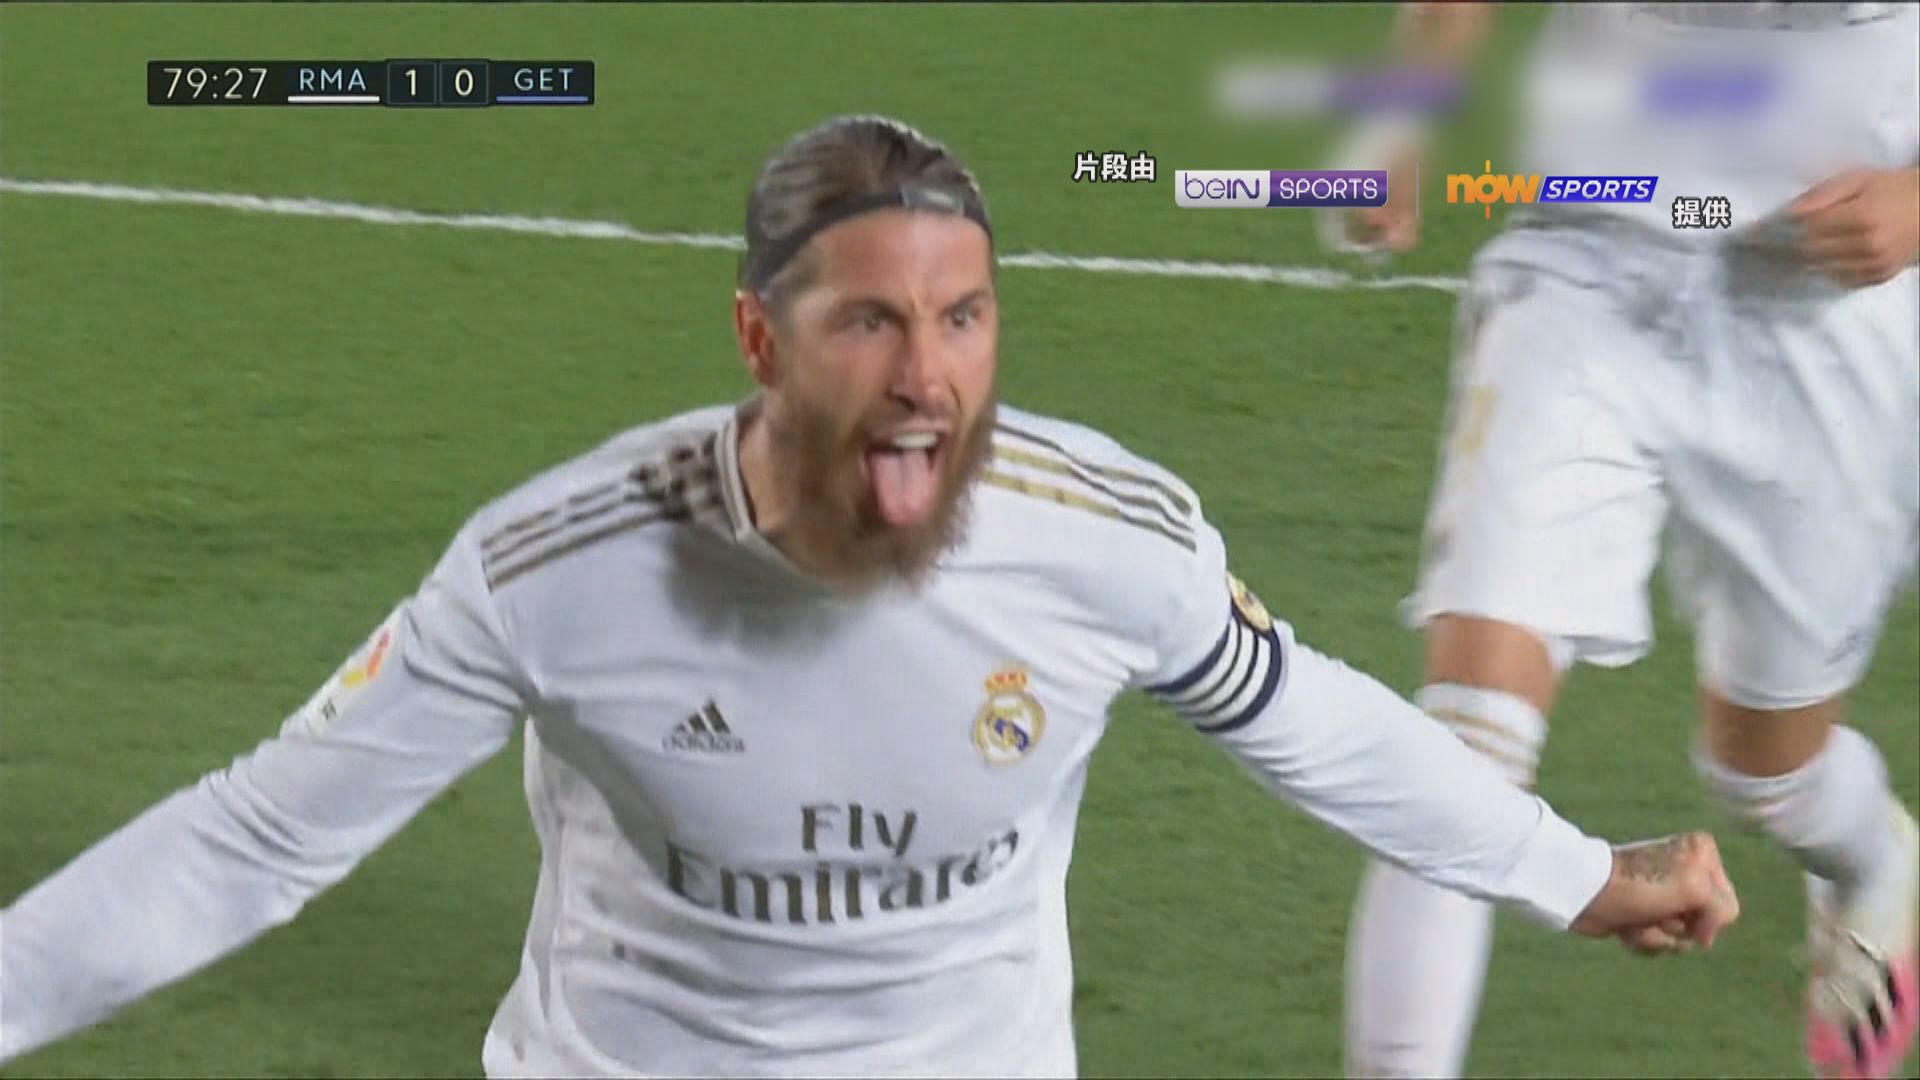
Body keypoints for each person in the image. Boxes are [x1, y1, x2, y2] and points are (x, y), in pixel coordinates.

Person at [0, 114, 1740, 1079]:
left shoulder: (1102, 538)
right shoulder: (558, 570)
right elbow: (254, 841)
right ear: (759, 340)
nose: (927, 376)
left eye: (963, 319)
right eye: (870, 322)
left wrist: (1575, 873)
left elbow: (1316, 723)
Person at [1323, 4, 1920, 1078]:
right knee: (1466, 744)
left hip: (1828, 306)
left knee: (1766, 774)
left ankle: (1875, 858)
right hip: (1591, 255)